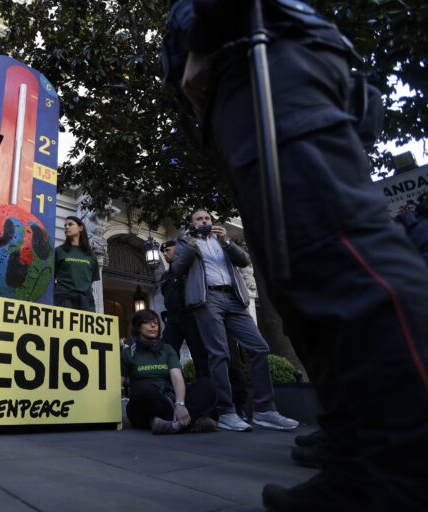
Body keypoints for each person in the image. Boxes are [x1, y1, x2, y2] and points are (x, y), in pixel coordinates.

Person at [165, 1, 428, 509]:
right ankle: (353, 461)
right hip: (243, 77)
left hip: (260, 58)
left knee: (338, 258)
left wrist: (204, 34)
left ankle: (408, 463)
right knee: (300, 281)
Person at [172, 210, 298, 432]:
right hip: (207, 298)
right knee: (219, 353)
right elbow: (177, 268)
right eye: (199, 219)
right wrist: (191, 243)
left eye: (207, 218)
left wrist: (227, 242)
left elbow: (244, 260)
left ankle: (265, 410)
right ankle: (226, 411)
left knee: (259, 347)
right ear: (191, 224)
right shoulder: (184, 241)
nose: (204, 221)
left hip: (234, 298)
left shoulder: (222, 241)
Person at [160, 239, 250, 421]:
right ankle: (171, 395)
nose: (165, 254)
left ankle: (226, 405)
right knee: (165, 354)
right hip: (173, 319)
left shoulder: (193, 269)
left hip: (195, 316)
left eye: (168, 250)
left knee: (206, 359)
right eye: (164, 252)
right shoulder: (166, 275)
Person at [121, 309, 217, 434]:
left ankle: (169, 424)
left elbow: (177, 377)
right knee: (140, 387)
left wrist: (180, 404)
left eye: (156, 322)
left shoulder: (166, 349)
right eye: (147, 322)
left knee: (207, 385)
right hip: (145, 404)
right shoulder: (128, 353)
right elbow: (118, 383)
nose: (153, 325)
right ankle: (192, 423)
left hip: (169, 398)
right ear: (138, 327)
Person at [54, 216, 100, 312]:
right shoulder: (59, 251)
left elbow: (91, 280)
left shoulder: (91, 255)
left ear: (80, 228)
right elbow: (51, 277)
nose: (66, 227)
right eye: (65, 225)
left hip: (86, 300)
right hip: (63, 299)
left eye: (70, 224)